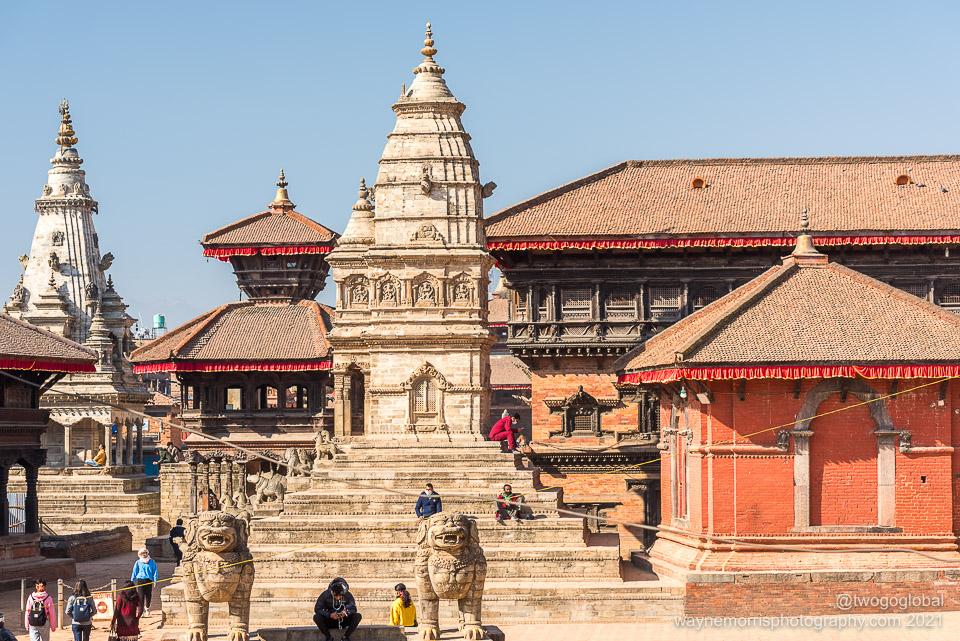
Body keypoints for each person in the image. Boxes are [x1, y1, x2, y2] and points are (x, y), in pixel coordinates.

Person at [130, 548, 158, 616]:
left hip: (148, 580)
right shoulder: (138, 562)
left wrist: (155, 580)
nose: (143, 555)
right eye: (142, 554)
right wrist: (131, 581)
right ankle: (141, 610)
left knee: (148, 595)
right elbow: (134, 572)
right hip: (141, 580)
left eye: (144, 553)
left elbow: (155, 571)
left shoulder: (151, 561)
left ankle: (147, 607)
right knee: (141, 596)